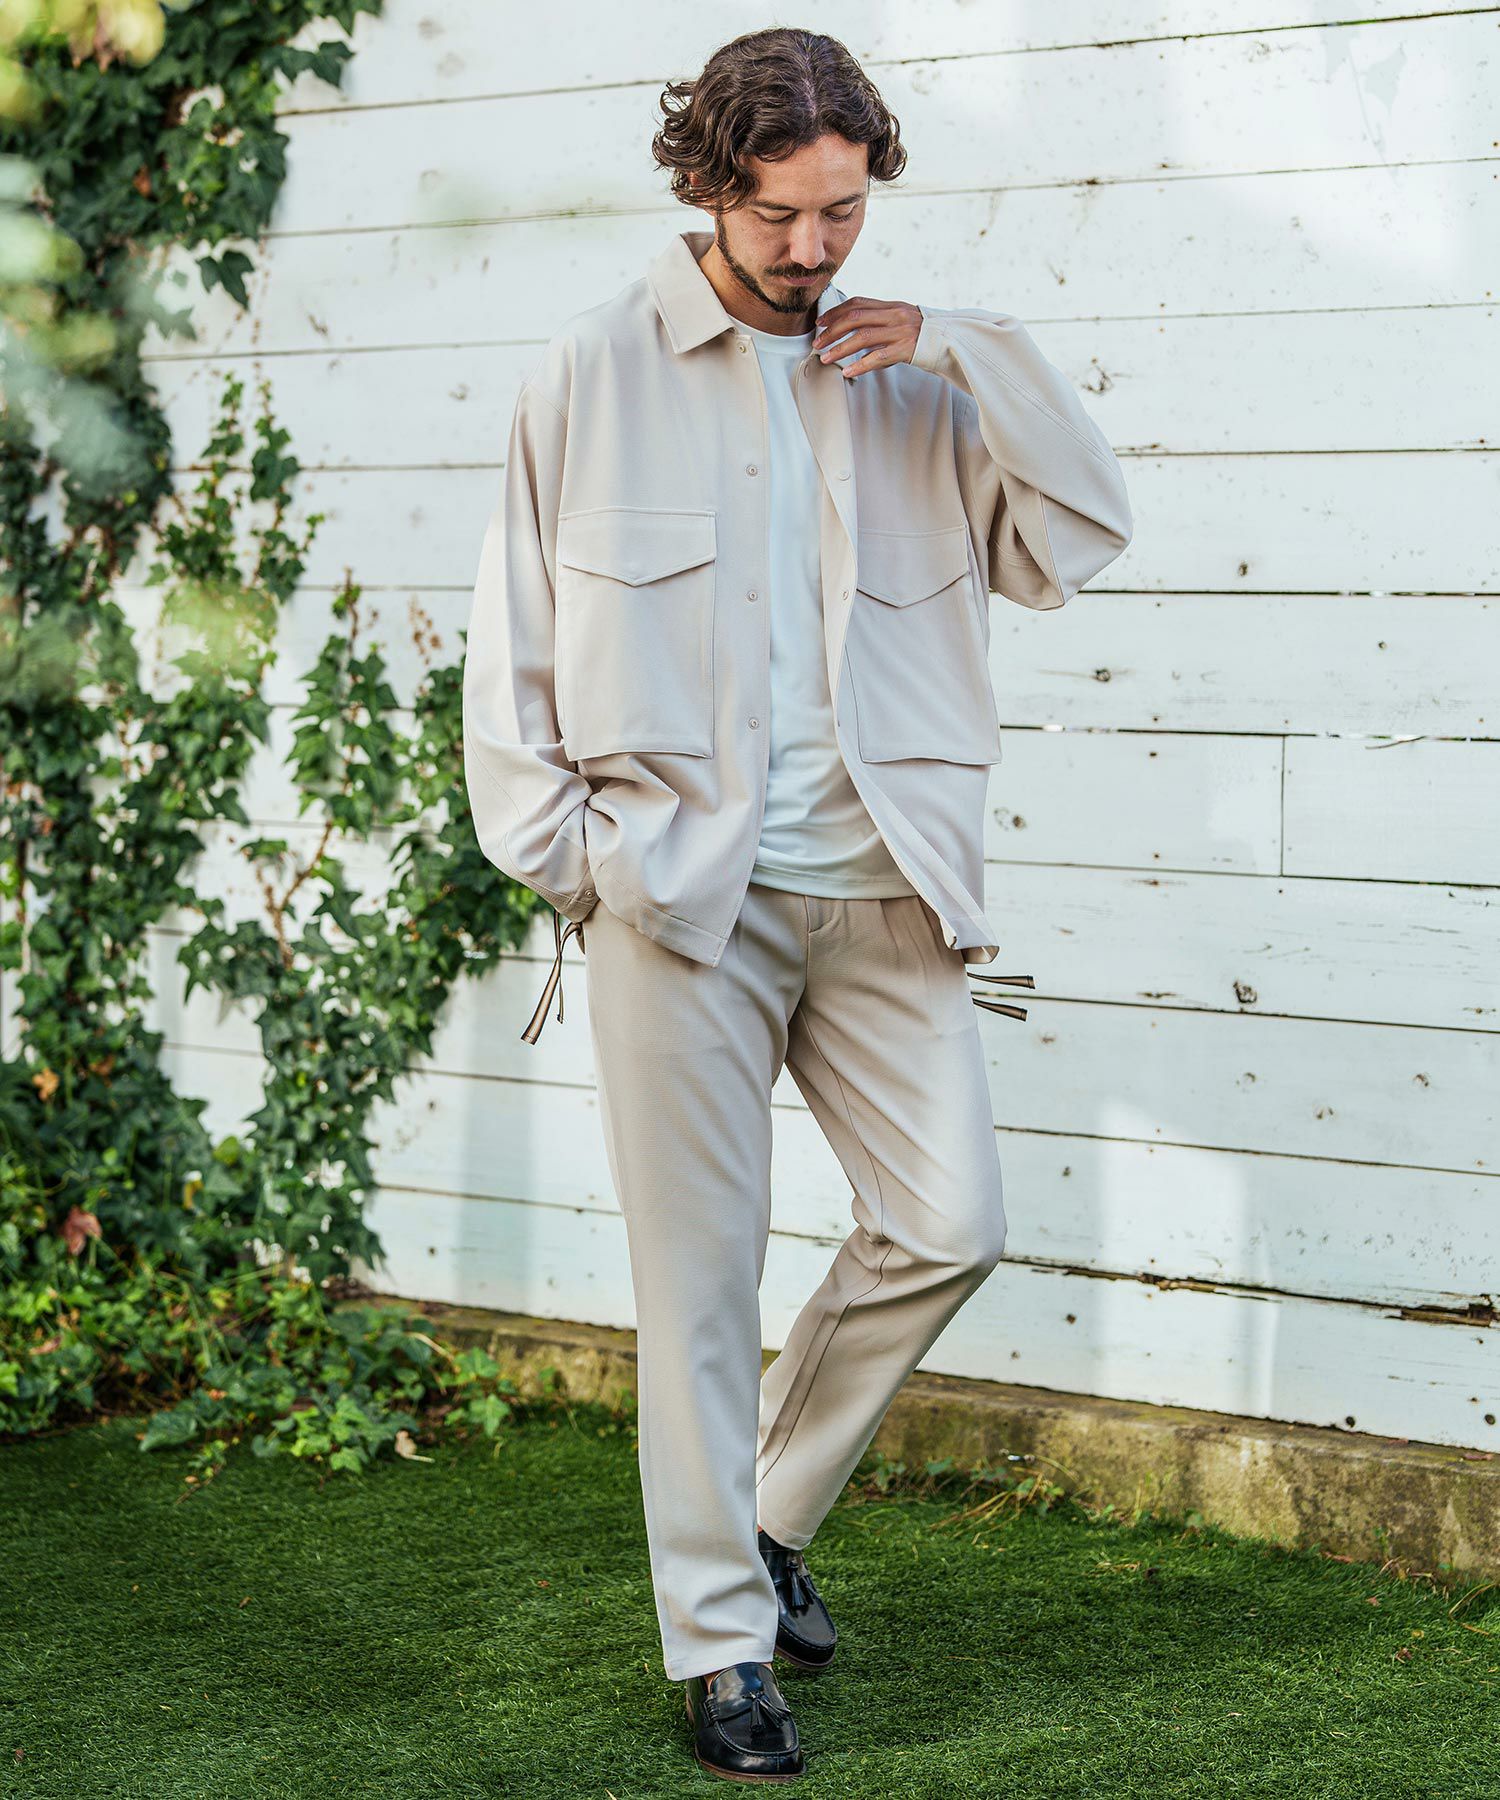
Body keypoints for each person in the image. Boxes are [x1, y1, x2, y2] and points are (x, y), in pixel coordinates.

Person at [461, 26, 1133, 1782]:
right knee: (700, 1286)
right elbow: (512, 647)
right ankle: (718, 1653)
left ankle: (759, 1521)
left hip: (888, 892)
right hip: (683, 907)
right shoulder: (591, 371)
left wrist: (971, 347)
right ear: (709, 185)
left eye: (843, 212)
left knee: (952, 1222)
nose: (814, 249)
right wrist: (582, 862)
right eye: (778, 215)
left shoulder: (918, 379)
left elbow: (1078, 536)